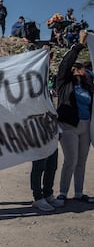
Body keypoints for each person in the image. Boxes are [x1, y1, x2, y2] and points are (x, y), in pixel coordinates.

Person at [56, 30, 94, 204]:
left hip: (86, 126)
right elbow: (65, 64)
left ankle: (78, 193)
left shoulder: (88, 85)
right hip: (69, 125)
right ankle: (63, 193)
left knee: (82, 161)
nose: (83, 70)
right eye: (79, 67)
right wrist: (79, 44)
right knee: (70, 161)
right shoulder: (64, 83)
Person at [30, 42, 64, 211]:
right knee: (39, 165)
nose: (48, 58)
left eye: (49, 55)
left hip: (51, 127)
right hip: (37, 129)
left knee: (52, 164)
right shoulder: (31, 77)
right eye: (44, 54)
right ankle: (37, 197)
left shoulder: (48, 79)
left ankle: (48, 193)